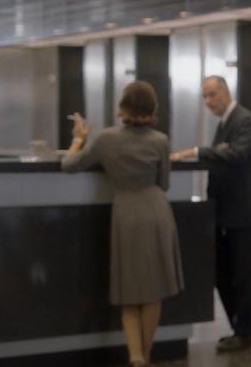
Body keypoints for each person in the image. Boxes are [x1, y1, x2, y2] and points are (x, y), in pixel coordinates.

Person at [62, 81, 184, 367]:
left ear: (122, 107)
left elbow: (69, 165)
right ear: (153, 109)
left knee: (129, 289)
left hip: (126, 214)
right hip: (156, 213)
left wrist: (78, 138)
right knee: (153, 292)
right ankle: (148, 353)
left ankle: (135, 357)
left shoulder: (106, 139)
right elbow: (164, 183)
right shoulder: (160, 141)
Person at [170, 75, 251, 352]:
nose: (209, 102)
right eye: (205, 97)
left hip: (245, 212)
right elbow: (223, 154)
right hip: (226, 211)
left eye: (212, 94)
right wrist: (217, 151)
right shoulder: (225, 123)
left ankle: (244, 331)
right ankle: (245, 323)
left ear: (225, 91)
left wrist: (198, 151)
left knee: (244, 275)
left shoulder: (244, 120)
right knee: (222, 272)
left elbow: (236, 155)